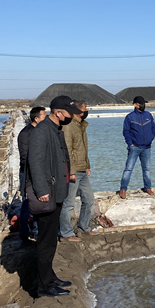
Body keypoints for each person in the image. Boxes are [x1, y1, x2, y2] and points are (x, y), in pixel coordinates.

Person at [27, 95, 81, 297]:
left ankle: (49, 277)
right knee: (46, 242)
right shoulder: (42, 131)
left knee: (50, 240)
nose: (71, 116)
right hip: (47, 194)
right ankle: (44, 286)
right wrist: (42, 191)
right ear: (58, 113)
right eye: (69, 113)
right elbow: (35, 162)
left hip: (56, 192)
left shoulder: (55, 129)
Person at [60, 101, 94, 241]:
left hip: (82, 169)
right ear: (78, 111)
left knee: (89, 199)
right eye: (85, 108)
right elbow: (67, 150)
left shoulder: (81, 125)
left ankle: (83, 227)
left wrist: (87, 166)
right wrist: (72, 171)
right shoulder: (68, 126)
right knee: (68, 203)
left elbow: (82, 149)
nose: (86, 111)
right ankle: (66, 232)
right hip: (74, 171)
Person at [17, 106, 46, 241]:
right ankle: (24, 233)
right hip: (28, 173)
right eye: (44, 116)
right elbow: (25, 157)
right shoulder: (26, 134)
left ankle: (37, 231)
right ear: (36, 119)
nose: (46, 119)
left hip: (39, 171)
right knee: (27, 203)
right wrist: (34, 171)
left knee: (39, 203)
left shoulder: (40, 132)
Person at [119, 96, 155, 199]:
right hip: (134, 147)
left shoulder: (148, 115)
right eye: (141, 104)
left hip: (147, 147)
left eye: (144, 103)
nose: (143, 105)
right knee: (128, 169)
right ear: (135, 105)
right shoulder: (130, 117)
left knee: (146, 169)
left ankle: (148, 188)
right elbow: (126, 132)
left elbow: (154, 127)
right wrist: (130, 144)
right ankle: (123, 189)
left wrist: (151, 138)